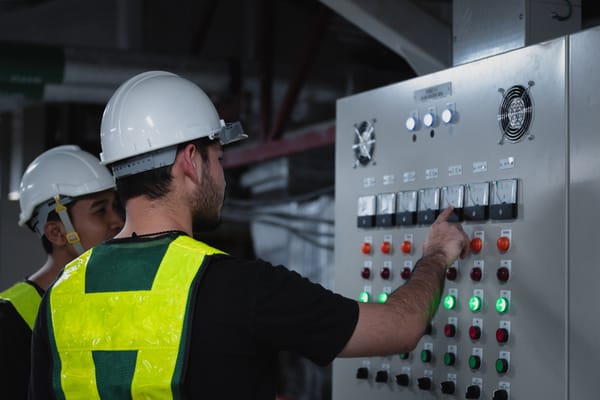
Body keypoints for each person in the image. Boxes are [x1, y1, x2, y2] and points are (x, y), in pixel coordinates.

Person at [29, 71, 469, 399]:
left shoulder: (60, 298)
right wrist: (436, 255)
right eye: (217, 157)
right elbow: (402, 327)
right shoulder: (241, 286)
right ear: (189, 160)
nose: (222, 174)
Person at [0, 145, 123, 399]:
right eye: (100, 210)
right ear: (57, 233)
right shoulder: (8, 320)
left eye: (114, 206)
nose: (117, 221)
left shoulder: (114, 301)